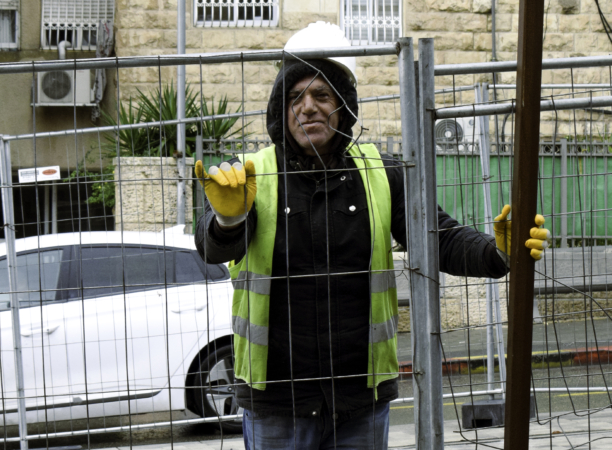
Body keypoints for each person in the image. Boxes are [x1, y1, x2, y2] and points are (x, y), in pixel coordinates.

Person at [194, 22, 549, 450]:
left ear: (342, 105)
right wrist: (227, 219)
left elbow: (438, 237)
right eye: (295, 97)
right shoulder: (253, 173)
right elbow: (213, 246)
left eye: (321, 95)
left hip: (360, 402)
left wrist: (497, 253)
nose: (307, 108)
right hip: (277, 404)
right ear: (281, 109)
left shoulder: (381, 172)